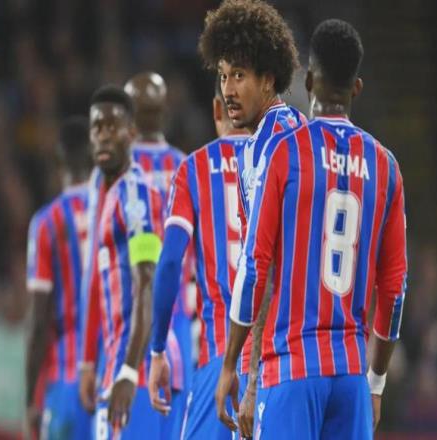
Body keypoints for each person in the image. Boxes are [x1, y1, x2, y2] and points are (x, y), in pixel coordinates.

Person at [215, 19, 407, 440]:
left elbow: (255, 266)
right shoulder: (386, 167)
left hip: (292, 367)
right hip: (352, 375)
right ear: (357, 88)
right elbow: (394, 290)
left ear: (308, 80)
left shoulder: (285, 152)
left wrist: (232, 364)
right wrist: (375, 382)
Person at [197, 0, 305, 432]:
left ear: (268, 78)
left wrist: (249, 372)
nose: (228, 89)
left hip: (281, 355)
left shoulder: (262, 148)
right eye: (224, 76)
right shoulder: (302, 129)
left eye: (239, 75)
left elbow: (263, 266)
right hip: (326, 353)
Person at [148, 75, 248, 440]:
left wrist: (158, 348)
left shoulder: (194, 167)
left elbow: (169, 263)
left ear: (218, 109)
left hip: (218, 357)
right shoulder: (284, 160)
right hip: (279, 363)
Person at [79, 85, 164, 439]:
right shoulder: (108, 194)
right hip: (114, 365)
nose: (103, 135)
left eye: (112, 127)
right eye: (97, 127)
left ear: (131, 133)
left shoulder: (135, 195)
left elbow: (148, 282)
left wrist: (129, 371)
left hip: (134, 374)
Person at [124, 72, 193, 438]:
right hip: (179, 321)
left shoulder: (116, 170)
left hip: (130, 325)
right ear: (164, 110)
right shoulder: (187, 166)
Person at [26, 116, 93, 439]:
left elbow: (39, 321)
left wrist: (29, 399)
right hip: (108, 377)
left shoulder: (46, 222)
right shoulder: (116, 207)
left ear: (60, 161)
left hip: (67, 378)